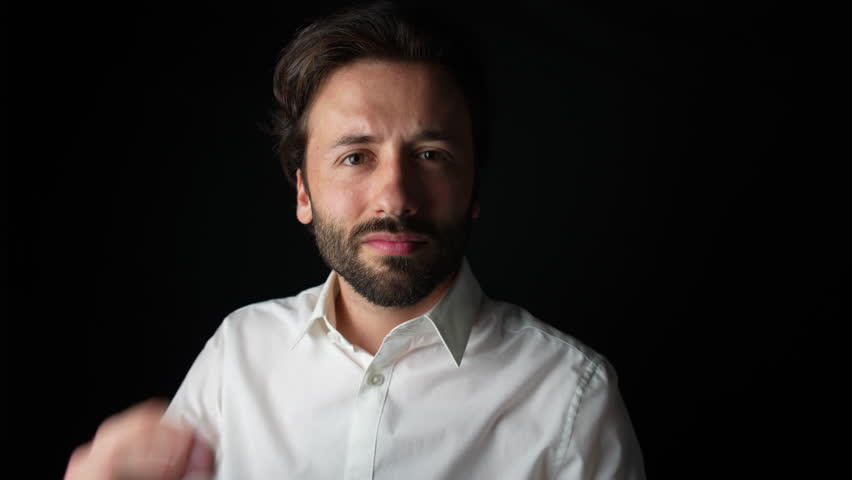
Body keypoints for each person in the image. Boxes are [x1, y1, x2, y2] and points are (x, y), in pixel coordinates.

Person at [65, 2, 646, 479]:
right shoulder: (237, 355)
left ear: (474, 187)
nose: (394, 197)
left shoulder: (572, 398)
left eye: (430, 155)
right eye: (355, 156)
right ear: (302, 193)